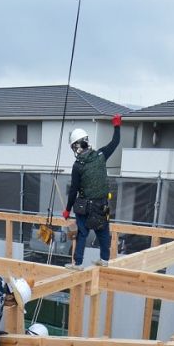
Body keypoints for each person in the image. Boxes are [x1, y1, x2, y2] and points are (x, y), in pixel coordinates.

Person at [62, 114, 122, 269]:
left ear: (76, 145)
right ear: (87, 141)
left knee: (82, 233)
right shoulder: (101, 155)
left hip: (85, 207)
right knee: (102, 231)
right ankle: (104, 260)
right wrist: (117, 126)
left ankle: (79, 263)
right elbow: (115, 142)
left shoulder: (78, 165)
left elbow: (74, 191)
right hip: (102, 204)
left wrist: (67, 210)